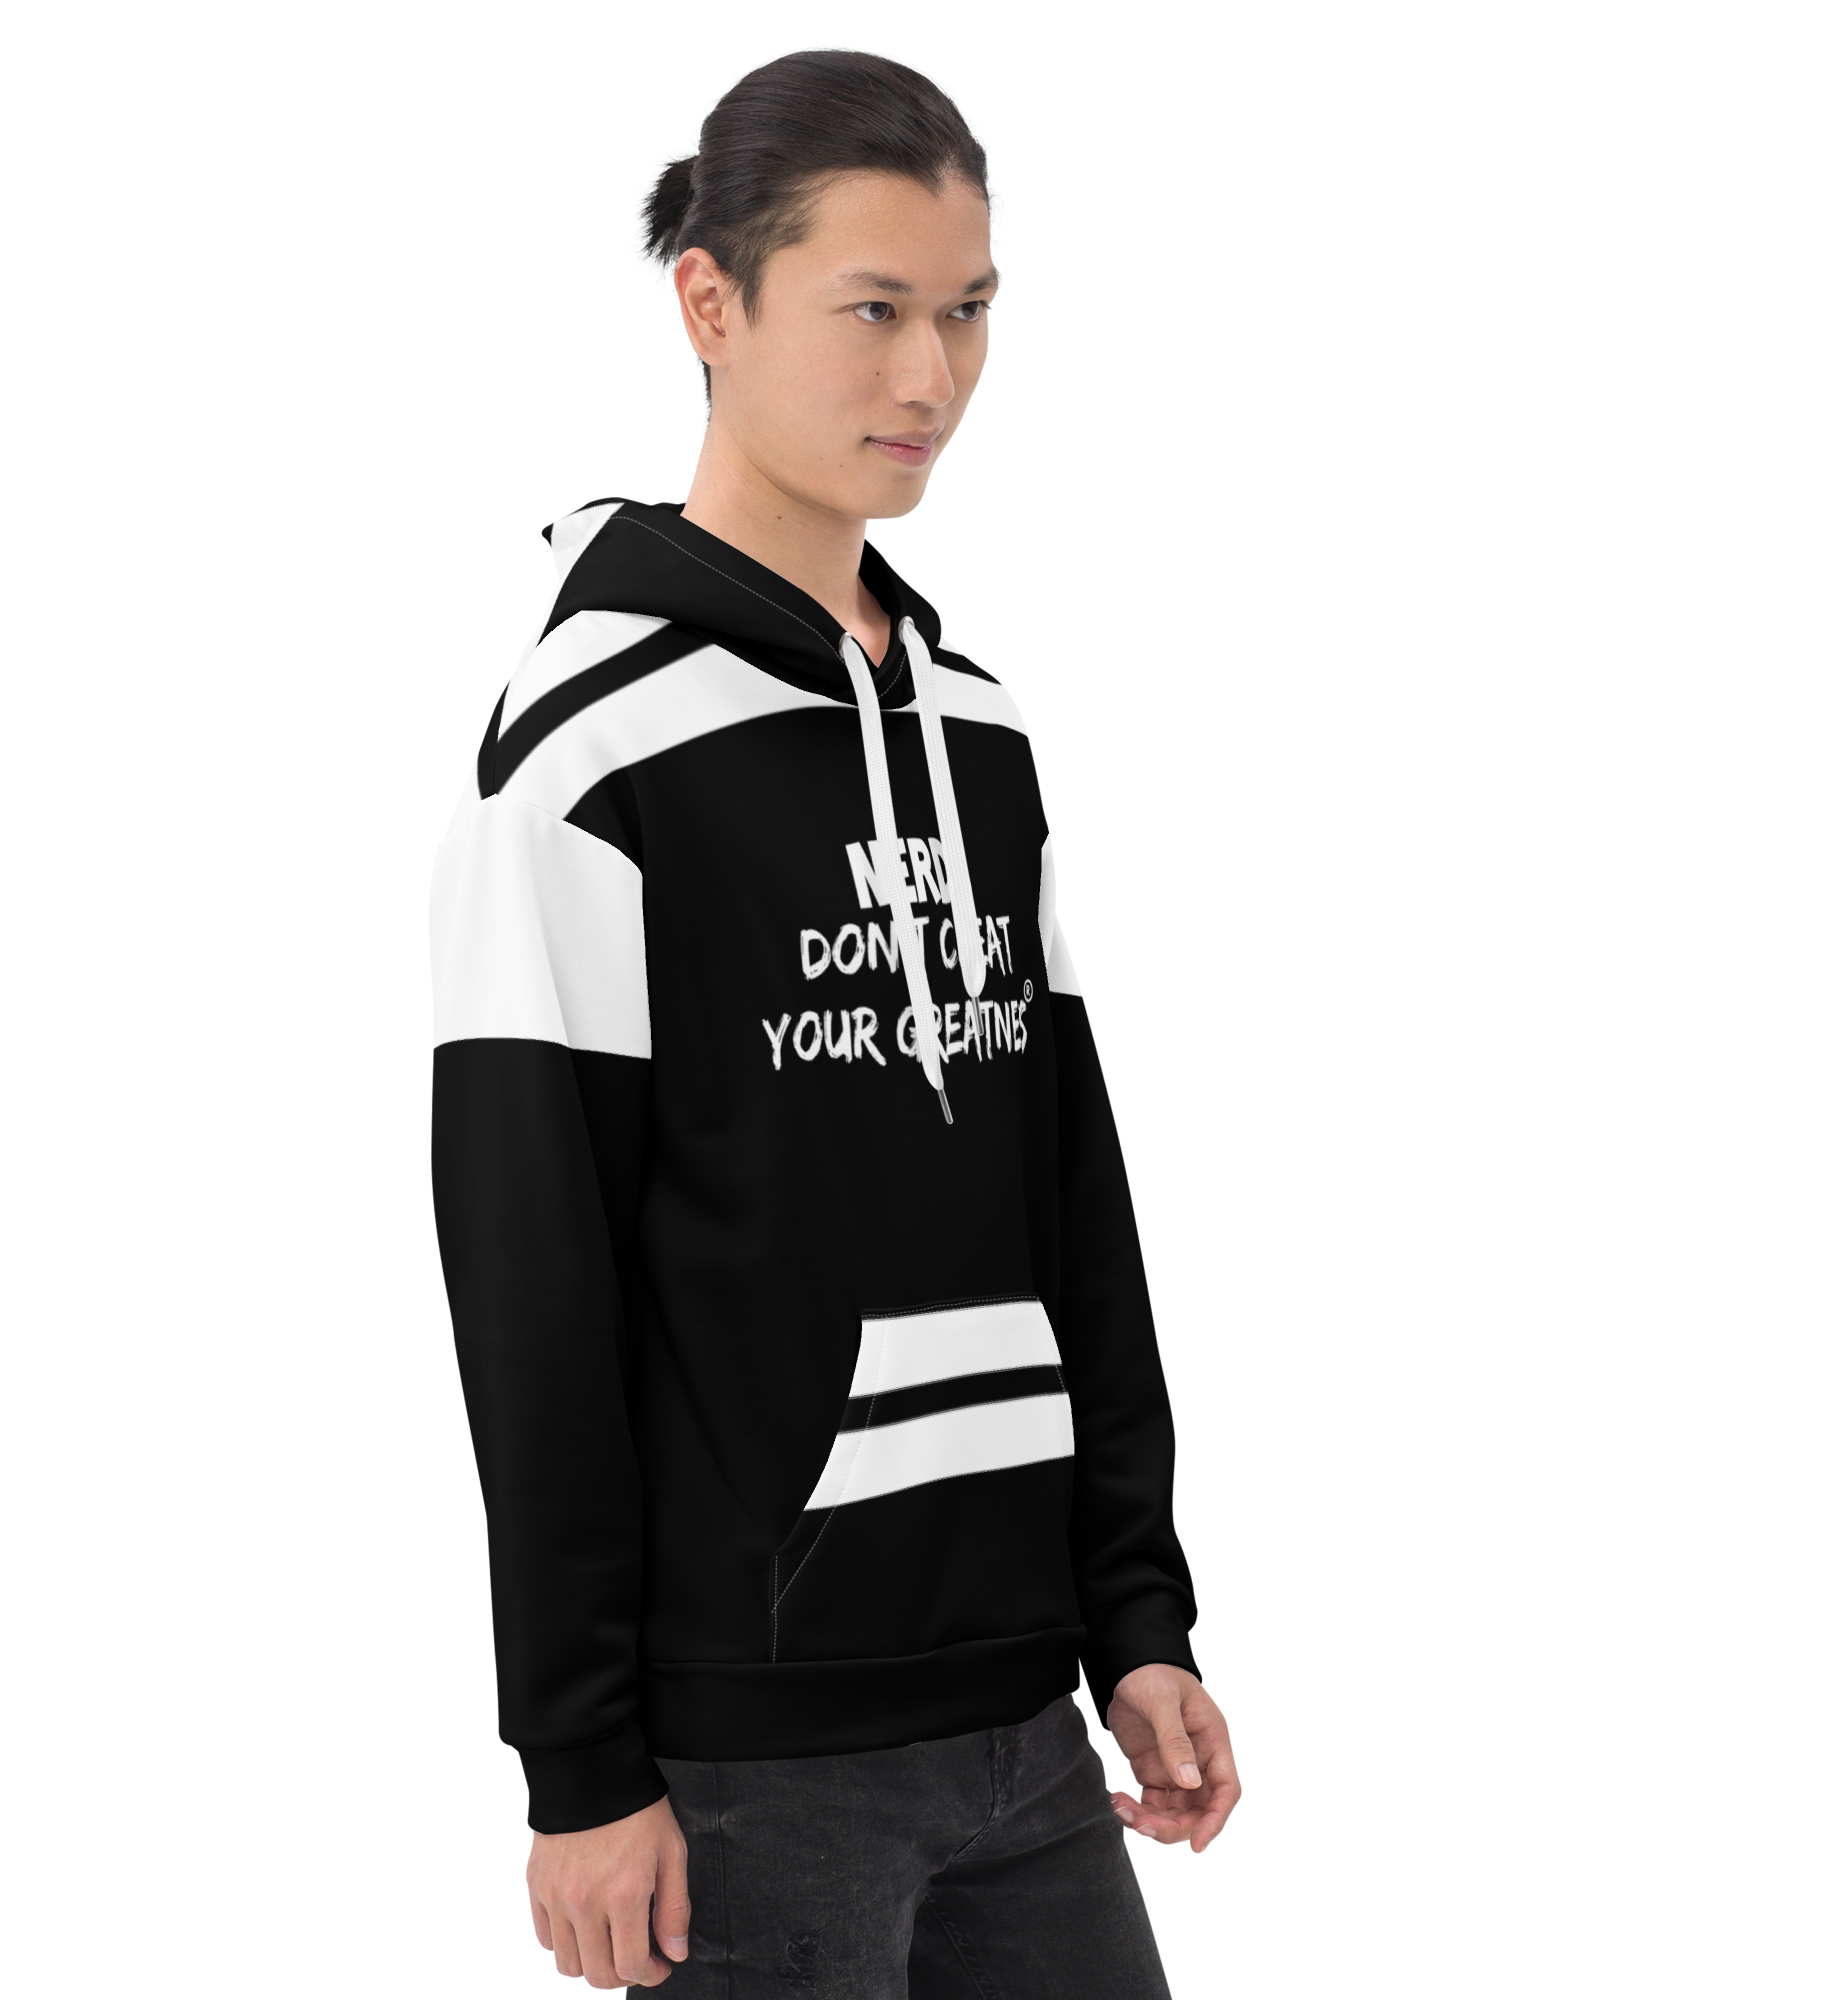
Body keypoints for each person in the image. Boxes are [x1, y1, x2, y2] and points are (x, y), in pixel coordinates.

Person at [428, 44, 1241, 1996]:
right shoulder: (580, 763)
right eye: (870, 309)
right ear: (710, 303)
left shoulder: (984, 729)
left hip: (1033, 1722)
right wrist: (578, 1763)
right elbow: (533, 1287)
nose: (929, 375)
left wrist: (1135, 1611)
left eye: (967, 310)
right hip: (743, 1763)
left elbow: (1074, 1202)